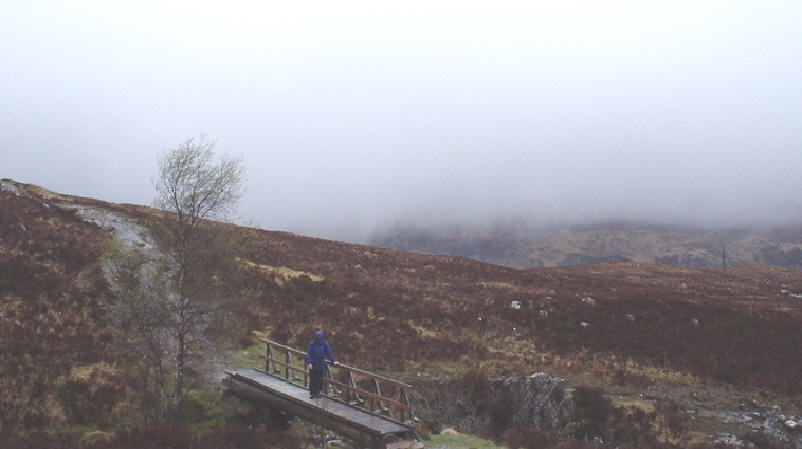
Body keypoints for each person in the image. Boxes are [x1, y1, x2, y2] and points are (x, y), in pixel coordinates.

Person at [306, 330, 340, 399]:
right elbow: (309, 354)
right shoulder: (312, 344)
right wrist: (309, 363)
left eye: (320, 336)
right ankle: (312, 393)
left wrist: (333, 361)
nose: (319, 338)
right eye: (317, 336)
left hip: (320, 364)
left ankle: (318, 392)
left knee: (319, 379)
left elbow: (329, 353)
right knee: (313, 379)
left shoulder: (325, 344)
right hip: (313, 363)